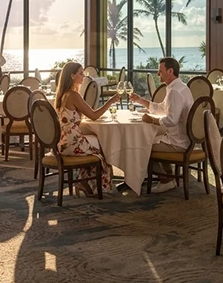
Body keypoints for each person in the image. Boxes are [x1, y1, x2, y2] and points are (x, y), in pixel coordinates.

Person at [54, 62, 121, 196]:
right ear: (72, 76)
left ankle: (83, 182)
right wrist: (111, 101)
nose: (83, 76)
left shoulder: (63, 95)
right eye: (81, 73)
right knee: (104, 153)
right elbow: (94, 115)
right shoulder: (73, 95)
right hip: (72, 143)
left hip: (63, 142)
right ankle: (95, 186)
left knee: (95, 143)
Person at [129, 57, 194, 193]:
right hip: (184, 138)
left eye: (160, 71)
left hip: (178, 143)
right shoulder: (179, 87)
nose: (158, 74)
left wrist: (152, 120)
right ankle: (168, 176)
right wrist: (140, 100)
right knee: (151, 138)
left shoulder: (175, 92)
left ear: (170, 71)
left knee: (141, 146)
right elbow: (162, 108)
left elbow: (171, 120)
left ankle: (165, 179)